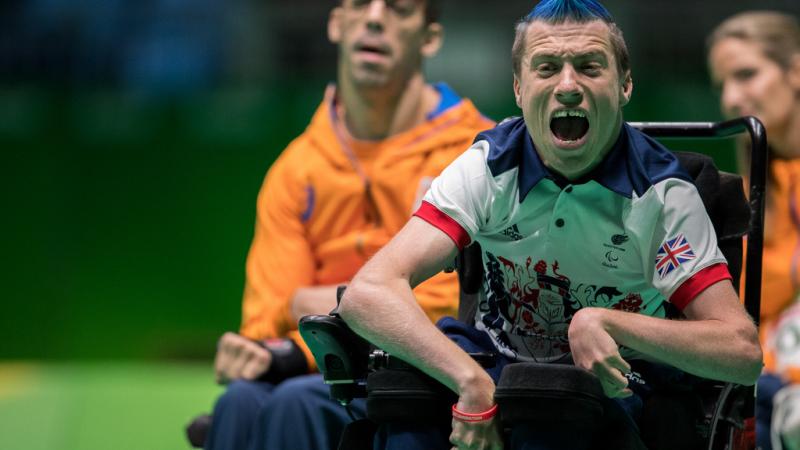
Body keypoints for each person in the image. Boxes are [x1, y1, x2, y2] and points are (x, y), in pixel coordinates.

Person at [338, 0, 763, 449]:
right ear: (519, 89)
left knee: (550, 408)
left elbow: (741, 353)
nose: (567, 86)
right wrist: (472, 383)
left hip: (601, 394)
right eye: (546, 67)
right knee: (404, 409)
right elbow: (368, 293)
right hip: (495, 369)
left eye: (589, 67)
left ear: (625, 85)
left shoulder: (663, 194)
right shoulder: (488, 167)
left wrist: (609, 323)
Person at [202, 1, 494, 449]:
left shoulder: (475, 156)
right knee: (239, 401)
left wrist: (314, 301)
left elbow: (450, 303)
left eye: (398, 9)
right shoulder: (295, 170)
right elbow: (271, 315)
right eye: (359, 5)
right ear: (336, 24)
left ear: (430, 37)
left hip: (426, 371)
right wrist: (256, 348)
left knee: (296, 403)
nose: (375, 18)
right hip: (315, 367)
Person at [707, 11, 800, 450]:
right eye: (722, 83)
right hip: (763, 382)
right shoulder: (750, 189)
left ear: (796, 71)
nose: (730, 99)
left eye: (746, 74)